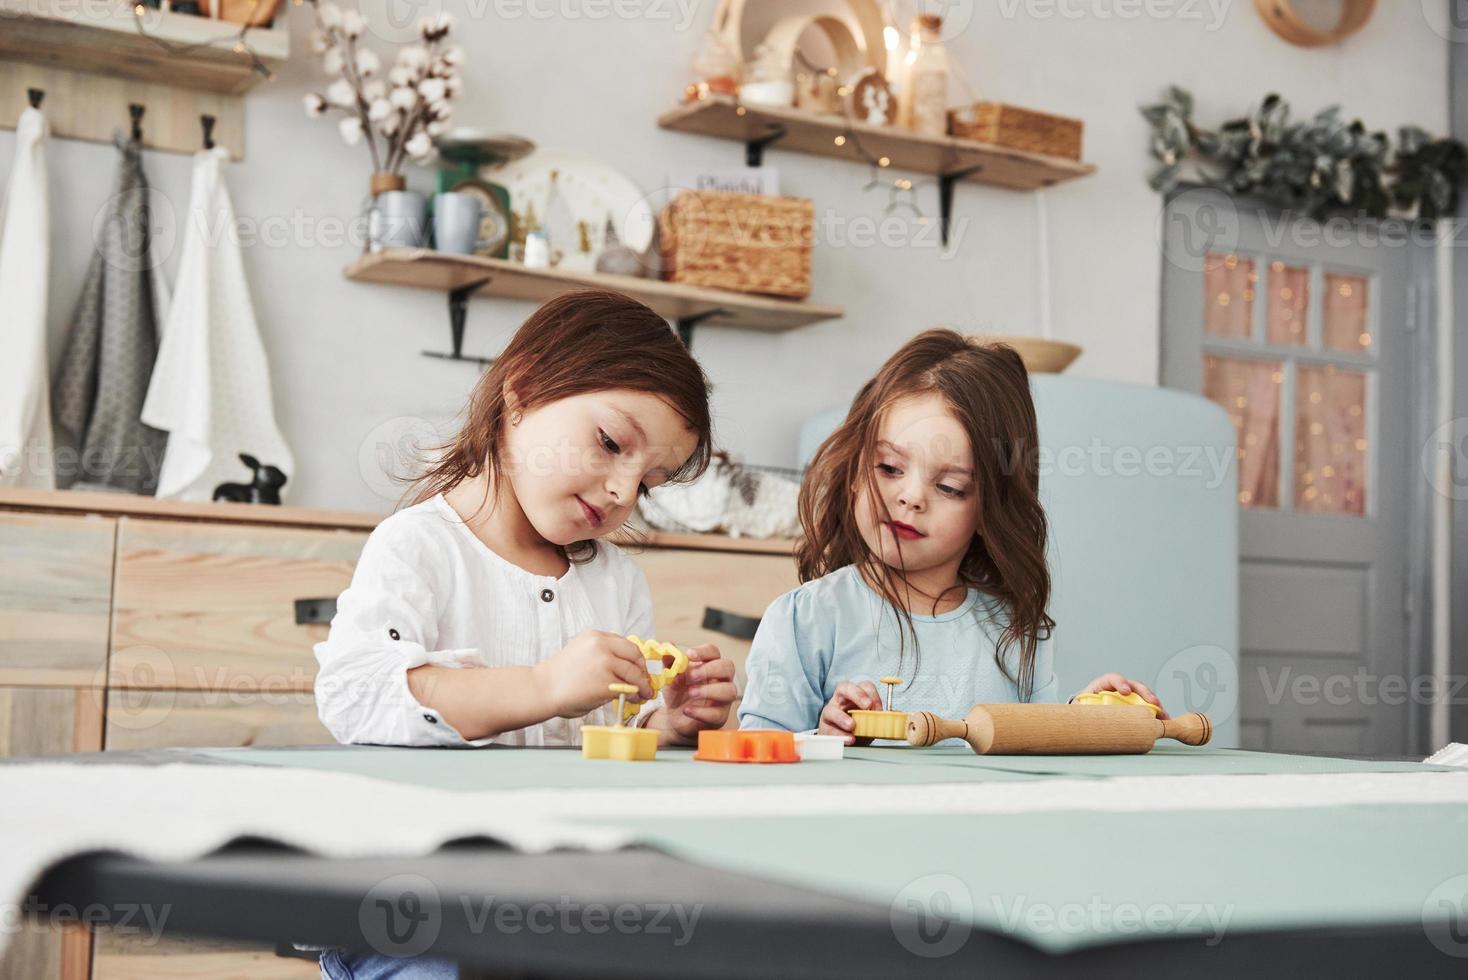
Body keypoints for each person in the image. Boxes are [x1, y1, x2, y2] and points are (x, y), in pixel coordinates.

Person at [739, 329, 1166, 741]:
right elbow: (759, 758)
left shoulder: (1014, 632)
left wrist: (1084, 718)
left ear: (989, 509)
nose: (910, 497)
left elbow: (1033, 755)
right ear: (854, 471)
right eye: (888, 468)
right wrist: (825, 736)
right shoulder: (805, 620)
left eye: (949, 487)